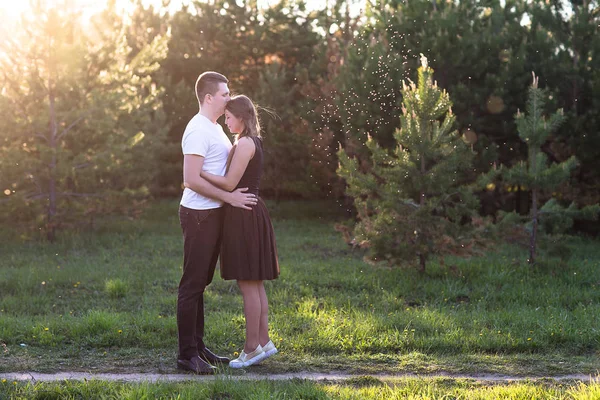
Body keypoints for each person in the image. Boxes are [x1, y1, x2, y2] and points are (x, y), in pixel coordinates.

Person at [177, 72, 258, 375]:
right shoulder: (197, 130)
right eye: (224, 94)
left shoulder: (213, 128)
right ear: (209, 97)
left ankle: (198, 348)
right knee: (191, 285)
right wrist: (231, 198)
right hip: (199, 216)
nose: (228, 98)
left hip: (212, 214)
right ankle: (186, 356)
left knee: (201, 283)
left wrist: (228, 198)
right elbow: (191, 179)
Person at [199, 95, 280, 368]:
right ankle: (264, 342)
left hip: (245, 215)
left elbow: (230, 183)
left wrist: (198, 174)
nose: (225, 120)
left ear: (242, 117)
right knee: (254, 282)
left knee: (248, 283)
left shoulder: (245, 143)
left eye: (229, 117)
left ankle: (250, 349)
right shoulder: (247, 141)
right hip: (248, 212)